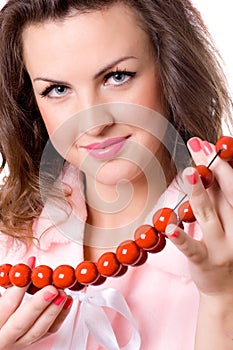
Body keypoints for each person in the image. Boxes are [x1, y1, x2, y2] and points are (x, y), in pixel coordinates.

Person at [0, 0, 233, 349]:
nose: (93, 122)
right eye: (57, 90)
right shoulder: (11, 235)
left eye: (117, 77)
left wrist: (221, 298)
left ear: (172, 70)